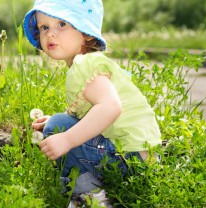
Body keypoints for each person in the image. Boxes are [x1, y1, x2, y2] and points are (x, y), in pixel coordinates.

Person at [23, 0, 162, 207]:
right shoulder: (87, 62)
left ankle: (89, 199)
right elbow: (94, 112)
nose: (50, 34)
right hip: (141, 158)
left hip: (128, 157)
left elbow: (111, 107)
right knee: (59, 123)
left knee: (58, 128)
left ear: (86, 33)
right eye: (44, 27)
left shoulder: (84, 63)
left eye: (62, 24)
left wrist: (67, 138)